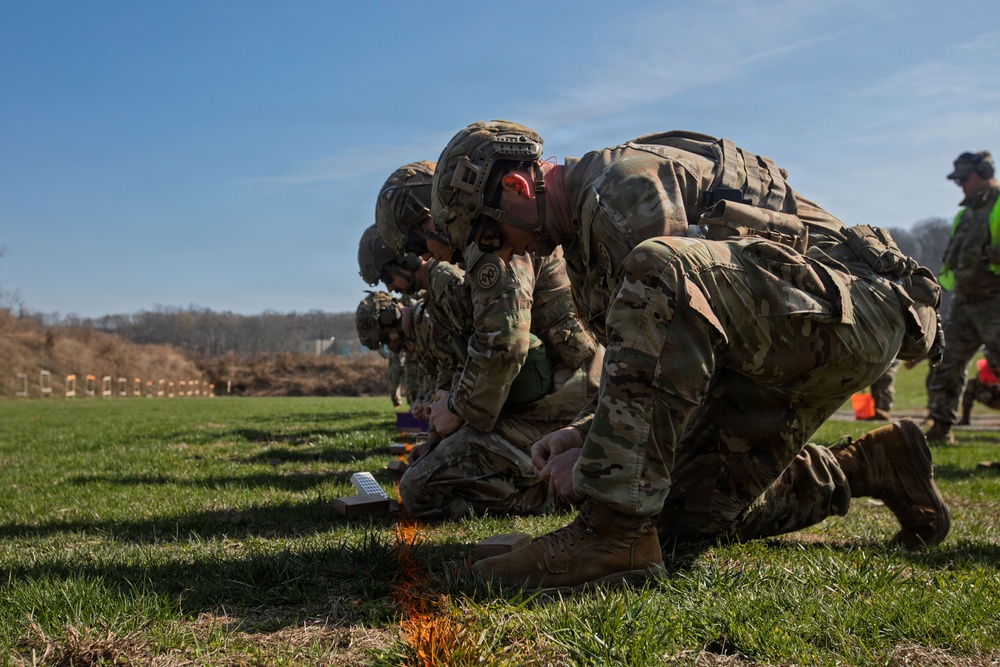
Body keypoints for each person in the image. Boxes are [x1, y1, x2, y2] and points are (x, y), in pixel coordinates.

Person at [430, 121, 947, 590]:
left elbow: (676, 321)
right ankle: (871, 465)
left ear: (517, 189)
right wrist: (584, 435)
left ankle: (611, 535)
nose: (505, 254)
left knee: (658, 268)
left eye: (490, 235)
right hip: (792, 328)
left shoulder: (621, 192)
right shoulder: (586, 240)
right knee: (683, 512)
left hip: (855, 308)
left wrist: (598, 471)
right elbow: (663, 369)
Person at [355, 289, 595, 518]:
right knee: (418, 487)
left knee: (416, 490)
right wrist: (434, 434)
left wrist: (454, 411)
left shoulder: (445, 302)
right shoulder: (432, 313)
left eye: (386, 337)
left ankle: (545, 498)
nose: (391, 343)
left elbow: (492, 360)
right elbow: (450, 374)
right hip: (495, 406)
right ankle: (542, 488)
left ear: (390, 318)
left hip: (536, 405)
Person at [925, 151, 1000, 444]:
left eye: (963, 178)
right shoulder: (964, 214)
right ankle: (941, 428)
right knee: (945, 362)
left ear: (984, 171)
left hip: (996, 300)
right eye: (956, 179)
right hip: (966, 303)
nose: (960, 185)